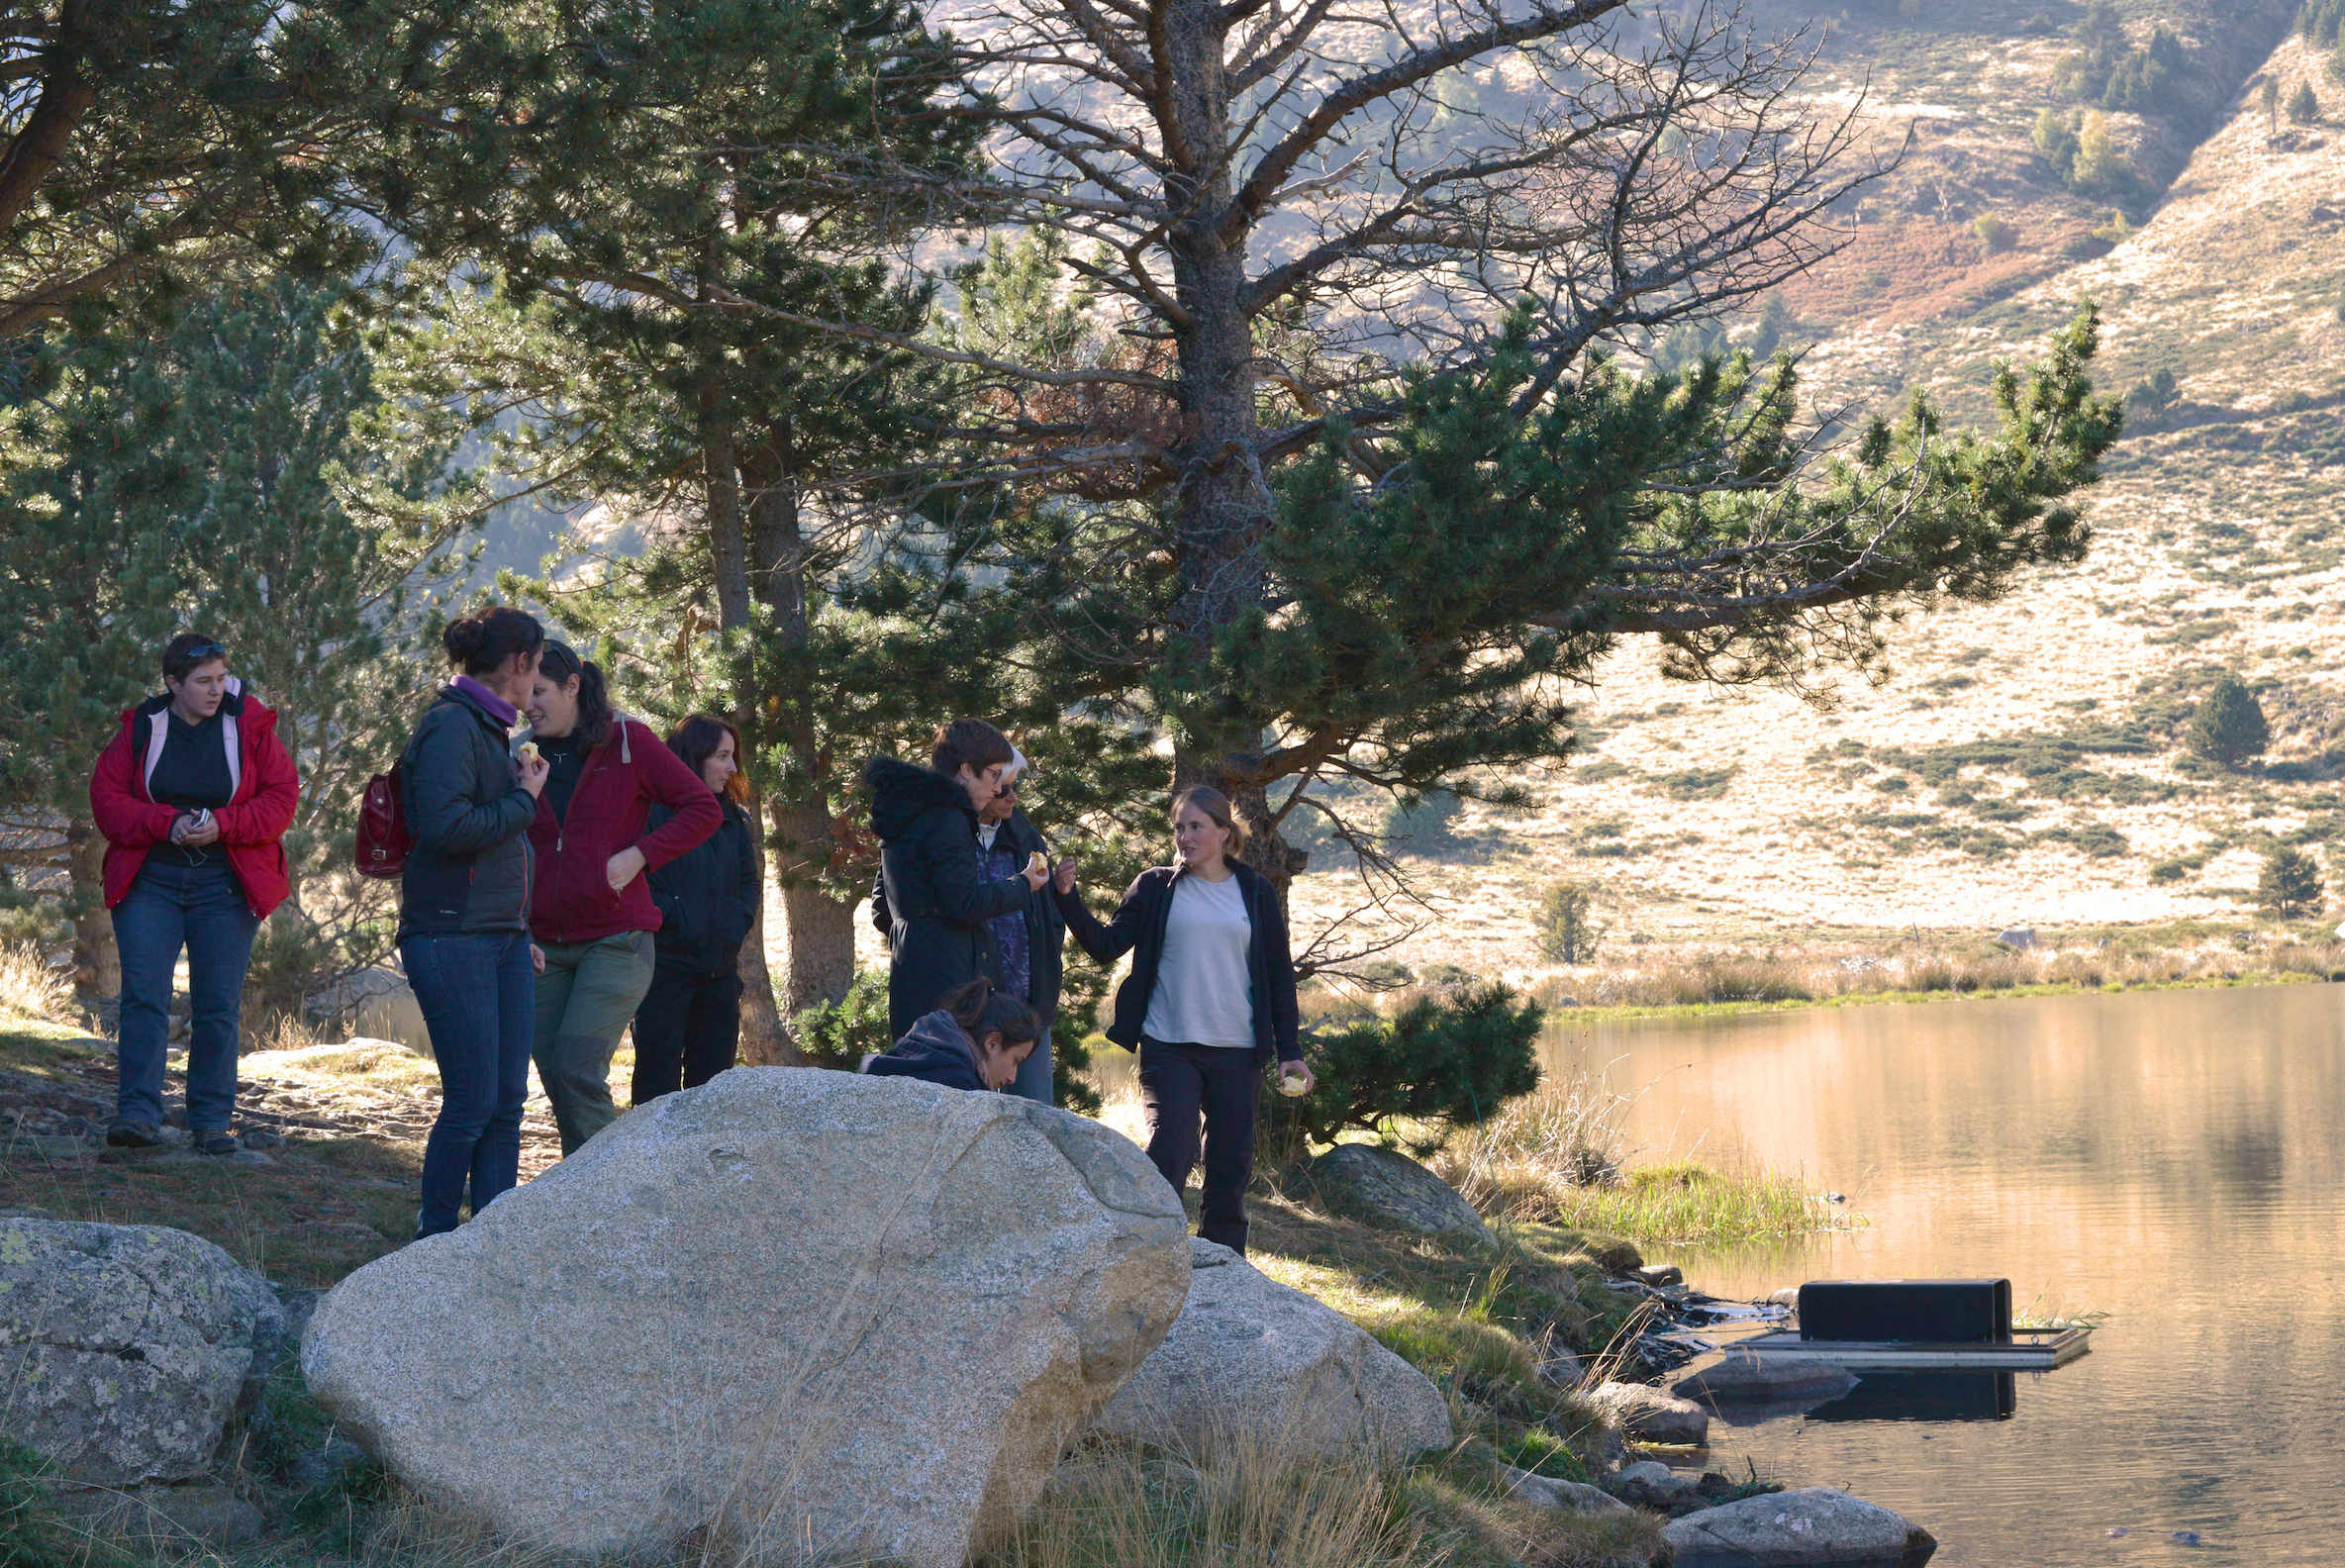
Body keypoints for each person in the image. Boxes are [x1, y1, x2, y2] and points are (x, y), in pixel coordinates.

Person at [1052, 786, 1314, 1254]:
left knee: (1230, 1163)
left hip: (1238, 1049)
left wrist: (1290, 1052)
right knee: (1172, 1149)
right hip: (1168, 1044)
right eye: (1178, 828)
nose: (1185, 838)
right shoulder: (1155, 886)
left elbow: (1278, 976)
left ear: (1223, 832)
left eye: (1195, 827)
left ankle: (1223, 1261)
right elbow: (1106, 945)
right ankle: (1154, 1252)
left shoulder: (1253, 891)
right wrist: (1068, 899)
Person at [89, 633, 299, 1154]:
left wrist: (222, 825)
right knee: (144, 998)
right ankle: (137, 1115)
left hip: (224, 883)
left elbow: (281, 798)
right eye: (203, 681)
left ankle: (210, 1121)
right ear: (173, 683)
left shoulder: (246, 724)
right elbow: (108, 801)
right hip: (150, 881)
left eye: (221, 677)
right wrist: (167, 824)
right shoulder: (143, 727)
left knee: (217, 1005)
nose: (216, 689)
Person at [524, 640, 721, 1155]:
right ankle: (589, 1189)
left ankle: (608, 1191)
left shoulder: (628, 741)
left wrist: (641, 855)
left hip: (617, 940)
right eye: (524, 692)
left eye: (539, 691)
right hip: (543, 945)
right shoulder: (520, 754)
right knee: (558, 1078)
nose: (529, 704)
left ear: (572, 687)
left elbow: (702, 809)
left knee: (576, 1067)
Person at [397, 606, 547, 1238]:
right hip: (450, 934)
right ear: (519, 664)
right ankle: (433, 1244)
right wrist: (524, 800)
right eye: (537, 667)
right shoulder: (451, 728)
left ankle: (490, 1243)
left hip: (502, 937)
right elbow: (446, 828)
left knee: (507, 1105)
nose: (537, 683)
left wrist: (522, 927)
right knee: (471, 1103)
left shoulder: (489, 733)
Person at [868, 745, 1066, 1104]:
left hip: (1026, 1004)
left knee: (1033, 1119)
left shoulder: (1024, 836)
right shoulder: (939, 826)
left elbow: (1047, 915)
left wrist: (1045, 968)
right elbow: (888, 906)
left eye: (1011, 785)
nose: (1007, 795)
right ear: (969, 778)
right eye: (1001, 784)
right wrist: (936, 943)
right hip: (966, 1005)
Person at [864, 718, 1047, 1041]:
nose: (998, 789)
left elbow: (882, 908)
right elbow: (964, 902)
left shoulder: (907, 812)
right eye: (993, 775)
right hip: (948, 988)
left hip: (911, 975)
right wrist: (1023, 885)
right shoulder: (948, 818)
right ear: (965, 770)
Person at [631, 715, 761, 1104]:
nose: (732, 768)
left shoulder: (733, 819)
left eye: (733, 756)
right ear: (695, 757)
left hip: (720, 973)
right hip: (664, 971)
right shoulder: (650, 812)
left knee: (713, 1093)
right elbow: (637, 877)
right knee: (657, 1093)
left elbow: (748, 882)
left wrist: (737, 923)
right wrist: (675, 917)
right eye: (723, 756)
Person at [862, 978, 1040, 1092]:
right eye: (1015, 1061)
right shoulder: (960, 1088)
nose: (1012, 1077)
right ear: (992, 1043)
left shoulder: (916, 1052)